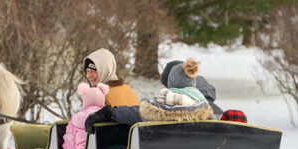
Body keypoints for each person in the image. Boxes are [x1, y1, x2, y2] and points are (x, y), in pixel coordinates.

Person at [85, 59, 215, 132]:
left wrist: (108, 113)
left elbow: (131, 112)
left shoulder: (155, 110)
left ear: (171, 85)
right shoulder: (206, 113)